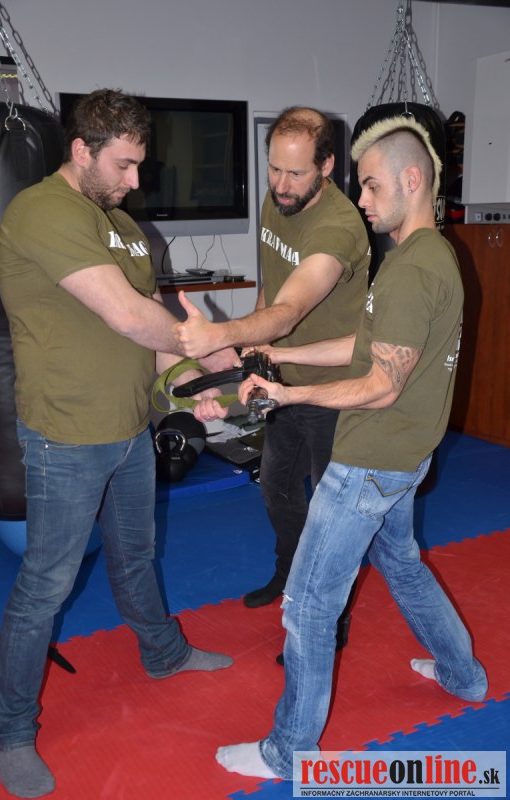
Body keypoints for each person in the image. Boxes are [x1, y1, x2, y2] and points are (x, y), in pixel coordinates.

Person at [215, 115, 488, 781]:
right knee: (403, 566)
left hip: (369, 462)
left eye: (371, 186)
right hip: (404, 458)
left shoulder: (412, 272)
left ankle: (287, 752)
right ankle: (464, 675)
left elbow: (380, 384)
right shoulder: (427, 256)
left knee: (308, 606)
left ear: (412, 180)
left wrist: (287, 395)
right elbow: (364, 346)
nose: (361, 200)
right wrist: (279, 353)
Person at [0, 88, 236, 800]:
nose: (134, 180)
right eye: (123, 165)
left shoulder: (125, 227)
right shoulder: (40, 211)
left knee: (136, 555)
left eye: (139, 165)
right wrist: (211, 341)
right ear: (81, 150)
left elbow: (154, 339)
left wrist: (195, 383)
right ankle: (12, 730)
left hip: (130, 430)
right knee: (46, 583)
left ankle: (163, 653)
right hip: (65, 434)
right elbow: (127, 316)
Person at [174, 107, 370, 630]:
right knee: (276, 486)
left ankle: (327, 618)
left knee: (331, 512)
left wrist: (222, 335)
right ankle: (290, 575)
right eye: (274, 169)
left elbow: (290, 309)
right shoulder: (278, 200)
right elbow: (272, 288)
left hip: (334, 390)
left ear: (326, 166)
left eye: (296, 173)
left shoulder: (337, 228)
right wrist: (249, 349)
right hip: (282, 382)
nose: (281, 185)